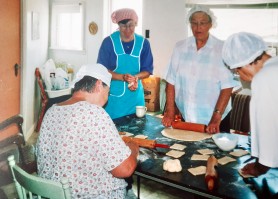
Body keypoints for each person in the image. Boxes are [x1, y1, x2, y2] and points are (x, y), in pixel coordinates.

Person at [36, 64, 139, 198]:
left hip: (53, 194)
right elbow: (125, 169)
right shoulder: (94, 113)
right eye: (107, 92)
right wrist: (133, 148)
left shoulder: (52, 110)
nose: (107, 99)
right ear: (98, 85)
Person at [162, 5, 239, 134]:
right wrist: (170, 111)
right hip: (187, 115)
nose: (198, 28)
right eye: (194, 23)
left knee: (216, 154)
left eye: (203, 23)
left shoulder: (222, 48)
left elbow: (227, 87)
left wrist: (216, 118)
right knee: (188, 152)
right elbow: (171, 81)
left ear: (211, 24)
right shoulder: (180, 47)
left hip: (216, 118)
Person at [222, 32, 278, 177]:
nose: (240, 76)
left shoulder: (264, 77)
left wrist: (260, 167)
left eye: (237, 70)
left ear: (246, 62)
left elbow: (268, 128)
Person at [97, 8, 153, 119]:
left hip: (135, 98)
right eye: (123, 26)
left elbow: (147, 70)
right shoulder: (109, 42)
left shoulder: (143, 43)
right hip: (114, 100)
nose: (127, 29)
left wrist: (135, 78)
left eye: (131, 25)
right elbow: (101, 70)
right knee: (115, 131)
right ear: (118, 25)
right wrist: (122, 77)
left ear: (136, 24)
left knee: (137, 130)